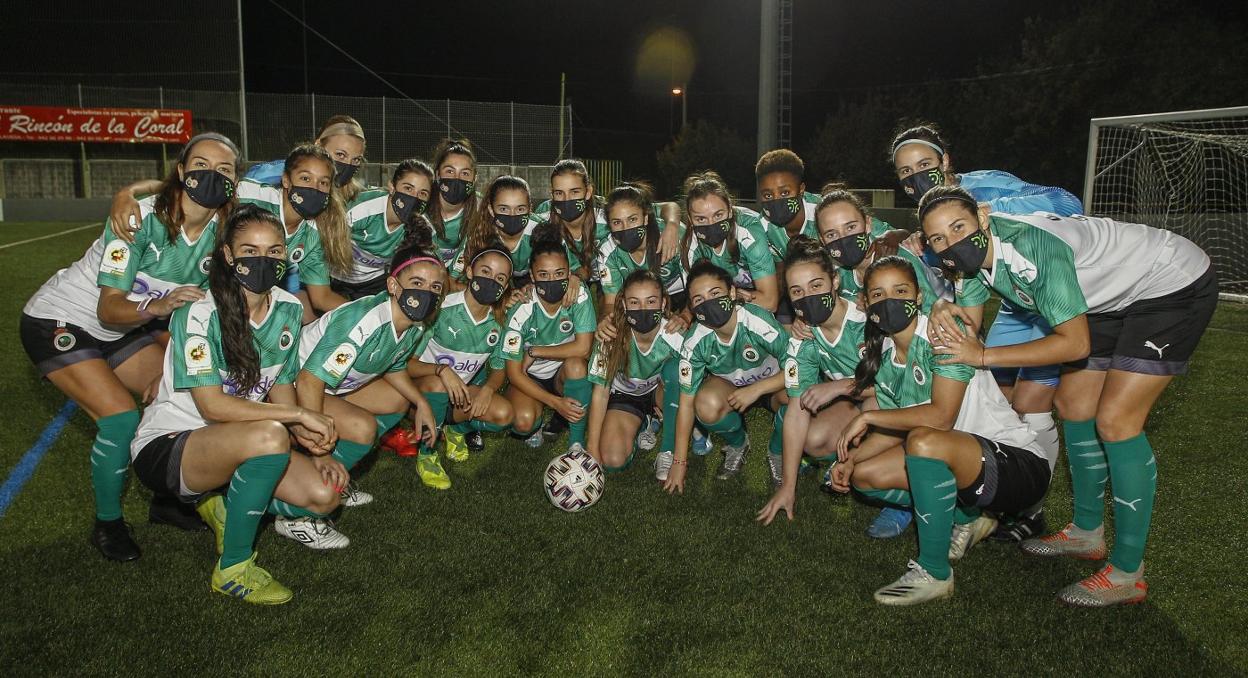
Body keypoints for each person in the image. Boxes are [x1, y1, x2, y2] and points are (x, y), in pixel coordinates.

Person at [918, 185, 1217, 606]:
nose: (952, 242)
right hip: (1107, 300)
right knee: (1072, 404)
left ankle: (1128, 571)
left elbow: (1073, 345)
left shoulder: (1031, 248)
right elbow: (966, 323)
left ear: (983, 217)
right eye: (938, 239)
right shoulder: (966, 265)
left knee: (1115, 421)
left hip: (1168, 283)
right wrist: (939, 306)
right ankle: (1086, 533)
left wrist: (984, 356)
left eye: (958, 227)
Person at [20, 132, 242, 561]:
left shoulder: (223, 233)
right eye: (200, 166)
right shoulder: (138, 221)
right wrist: (159, 304)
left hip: (124, 328)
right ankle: (108, 524)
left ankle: (167, 501)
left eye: (225, 169)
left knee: (179, 396)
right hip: (61, 320)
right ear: (181, 172)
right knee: (120, 420)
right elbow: (109, 310)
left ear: (236, 180)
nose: (211, 176)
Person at [129, 205, 342, 605]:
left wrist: (306, 436)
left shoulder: (290, 309)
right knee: (269, 436)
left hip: (242, 437)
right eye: (250, 250)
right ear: (228, 255)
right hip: (170, 445)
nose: (263, 260)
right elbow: (213, 407)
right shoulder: (198, 311)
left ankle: (219, 497)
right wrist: (296, 416)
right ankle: (233, 569)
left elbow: (279, 379)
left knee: (323, 496)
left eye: (275, 251)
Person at [891, 122, 1084, 541]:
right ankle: (992, 492)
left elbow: (1068, 201)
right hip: (1013, 305)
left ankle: (1029, 508)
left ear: (946, 161)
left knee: (1034, 402)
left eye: (924, 164)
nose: (916, 176)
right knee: (991, 397)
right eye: (906, 174)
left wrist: (994, 215)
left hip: (1048, 292)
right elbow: (962, 283)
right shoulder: (926, 225)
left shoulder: (982, 188)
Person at [825, 256, 1050, 606]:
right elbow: (894, 424)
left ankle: (934, 573)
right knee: (864, 476)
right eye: (879, 295)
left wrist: (867, 419)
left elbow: (940, 417)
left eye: (900, 291)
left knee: (923, 440)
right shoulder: (883, 353)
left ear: (918, 297)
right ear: (866, 304)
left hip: (1018, 469)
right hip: (961, 458)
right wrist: (849, 460)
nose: (890, 302)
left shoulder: (942, 335)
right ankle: (968, 517)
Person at [287, 229, 445, 547]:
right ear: (392, 284)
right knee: (362, 429)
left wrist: (422, 403)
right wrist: (321, 449)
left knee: (397, 401)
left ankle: (334, 479)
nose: (426, 292)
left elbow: (395, 366)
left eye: (435, 287)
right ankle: (300, 511)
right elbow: (310, 379)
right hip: (294, 384)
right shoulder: (366, 320)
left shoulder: (414, 323)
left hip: (331, 384)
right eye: (417, 284)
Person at [756, 236, 873, 524]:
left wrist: (841, 385)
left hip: (893, 401)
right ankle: (850, 452)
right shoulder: (803, 335)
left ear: (835, 281)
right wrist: (788, 486)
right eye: (797, 291)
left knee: (875, 412)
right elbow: (797, 408)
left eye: (816, 286)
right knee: (813, 437)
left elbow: (898, 387)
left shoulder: (869, 321)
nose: (807, 296)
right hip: (854, 402)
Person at [662, 261, 790, 493]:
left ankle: (777, 451)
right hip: (731, 390)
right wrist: (679, 462)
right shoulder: (695, 341)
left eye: (715, 293)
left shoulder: (756, 320)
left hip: (773, 386)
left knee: (797, 398)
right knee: (705, 404)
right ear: (692, 307)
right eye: (699, 300)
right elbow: (686, 403)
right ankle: (738, 444)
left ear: (732, 292)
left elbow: (799, 368)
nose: (709, 303)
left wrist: (758, 389)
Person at [394, 245, 515, 489]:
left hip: (457, 395)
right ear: (469, 271)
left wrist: (489, 389)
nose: (491, 281)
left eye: (500, 278)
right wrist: (441, 370)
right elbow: (405, 364)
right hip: (418, 393)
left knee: (504, 414)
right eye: (485, 272)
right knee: (438, 384)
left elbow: (499, 368)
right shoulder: (440, 309)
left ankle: (455, 428)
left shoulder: (501, 321)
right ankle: (427, 454)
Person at [501, 224, 598, 451]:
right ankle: (542, 417)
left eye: (559, 274)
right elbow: (514, 373)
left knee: (577, 367)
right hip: (530, 376)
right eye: (543, 275)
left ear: (569, 273)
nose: (552, 281)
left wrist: (535, 351)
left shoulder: (578, 294)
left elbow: (583, 348)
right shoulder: (522, 307)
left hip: (561, 372)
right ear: (532, 276)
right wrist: (555, 403)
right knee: (523, 422)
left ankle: (576, 443)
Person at [235, 143, 354, 321]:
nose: (315, 188)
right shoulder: (251, 197)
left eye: (323, 183)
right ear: (286, 180)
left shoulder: (314, 233)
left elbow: (321, 297)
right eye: (306, 178)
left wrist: (366, 311)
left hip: (262, 294)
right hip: (218, 288)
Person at [585, 270, 684, 475]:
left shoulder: (675, 334)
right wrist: (592, 449)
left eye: (650, 301)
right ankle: (646, 421)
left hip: (660, 392)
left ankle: (667, 450)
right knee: (612, 460)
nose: (643, 309)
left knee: (677, 372)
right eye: (634, 302)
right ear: (623, 305)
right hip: (625, 397)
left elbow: (693, 384)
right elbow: (600, 393)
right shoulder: (611, 335)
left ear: (663, 304)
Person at [333, 159, 435, 299]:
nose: (414, 198)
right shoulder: (362, 208)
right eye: (408, 188)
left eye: (422, 193)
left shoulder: (424, 228)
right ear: (392, 187)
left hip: (375, 283)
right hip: (336, 278)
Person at [680, 172, 780, 312]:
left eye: (718, 215)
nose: (711, 225)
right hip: (727, 293)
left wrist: (732, 298)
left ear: (730, 211)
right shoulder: (690, 247)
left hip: (771, 282)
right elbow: (697, 302)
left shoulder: (748, 232)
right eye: (701, 219)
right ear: (690, 221)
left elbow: (770, 302)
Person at [597, 182, 687, 311]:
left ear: (645, 219)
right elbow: (611, 302)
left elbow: (697, 286)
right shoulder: (608, 250)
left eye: (632, 219)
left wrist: (685, 316)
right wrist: (607, 320)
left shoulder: (672, 237)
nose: (625, 228)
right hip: (642, 300)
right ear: (609, 225)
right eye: (617, 222)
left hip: (682, 294)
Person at [453, 174, 539, 289]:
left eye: (520, 209)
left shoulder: (542, 230)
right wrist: (498, 298)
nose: (512, 215)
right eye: (503, 209)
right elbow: (454, 281)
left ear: (530, 209)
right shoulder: (479, 234)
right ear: (491, 210)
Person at [428, 139, 480, 264]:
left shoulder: (481, 208)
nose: (457, 179)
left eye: (465, 173)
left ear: (474, 179)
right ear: (437, 175)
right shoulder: (421, 203)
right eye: (450, 171)